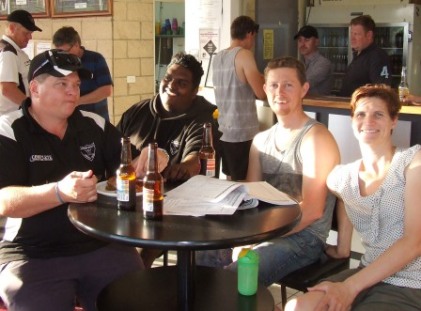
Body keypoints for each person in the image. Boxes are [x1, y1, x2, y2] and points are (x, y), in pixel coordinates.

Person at [0, 49, 167, 311]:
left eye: (76, 84)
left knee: (141, 302)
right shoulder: (8, 130)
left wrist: (154, 157)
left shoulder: (94, 124)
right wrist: (59, 192)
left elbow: (129, 169)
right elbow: (4, 200)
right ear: (34, 88)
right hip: (32, 253)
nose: (73, 91)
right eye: (62, 84)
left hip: (102, 244)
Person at [196, 56, 340, 287]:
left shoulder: (316, 138)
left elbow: (312, 210)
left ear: (304, 89)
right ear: (264, 89)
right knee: (202, 254)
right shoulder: (261, 140)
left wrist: (254, 239)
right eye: (273, 85)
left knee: (235, 276)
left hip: (304, 238)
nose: (279, 92)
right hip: (267, 230)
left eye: (288, 85)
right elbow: (252, 198)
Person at [286, 84, 421, 311]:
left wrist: (349, 287)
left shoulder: (413, 163)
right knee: (297, 306)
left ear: (393, 121)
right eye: (361, 114)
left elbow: (414, 243)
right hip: (367, 273)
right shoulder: (342, 176)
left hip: (411, 283)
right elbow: (341, 196)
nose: (368, 121)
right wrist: (342, 248)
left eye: (378, 114)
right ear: (352, 121)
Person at [117, 52, 218, 183]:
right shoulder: (136, 112)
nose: (171, 85)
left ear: (194, 92)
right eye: (168, 78)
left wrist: (183, 168)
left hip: (180, 198)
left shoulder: (204, 118)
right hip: (128, 195)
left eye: (182, 83)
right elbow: (113, 148)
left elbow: (196, 159)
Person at [212, 15, 266, 181]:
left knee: (230, 179)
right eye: (254, 37)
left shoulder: (218, 57)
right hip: (241, 131)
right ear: (250, 34)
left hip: (223, 129)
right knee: (244, 182)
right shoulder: (244, 55)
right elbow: (261, 92)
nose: (253, 42)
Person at [52, 26, 113, 121]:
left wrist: (77, 101)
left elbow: (107, 90)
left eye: (66, 51)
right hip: (69, 120)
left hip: (96, 119)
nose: (63, 55)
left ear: (76, 44)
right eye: (59, 52)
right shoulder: (58, 61)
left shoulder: (96, 59)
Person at [0, 10, 42, 116]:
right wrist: (33, 110)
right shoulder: (8, 52)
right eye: (26, 33)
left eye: (31, 33)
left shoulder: (15, 51)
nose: (30, 37)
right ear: (12, 28)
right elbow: (7, 89)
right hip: (10, 116)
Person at [339, 15, 391, 97]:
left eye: (356, 34)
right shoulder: (358, 54)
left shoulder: (378, 56)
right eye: (351, 34)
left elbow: (382, 91)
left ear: (369, 35)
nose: (352, 38)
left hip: (363, 107)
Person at [294, 25, 333, 96]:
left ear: (316, 42)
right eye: (300, 40)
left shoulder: (323, 63)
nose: (302, 44)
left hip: (319, 106)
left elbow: (305, 83)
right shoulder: (300, 64)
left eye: (306, 40)